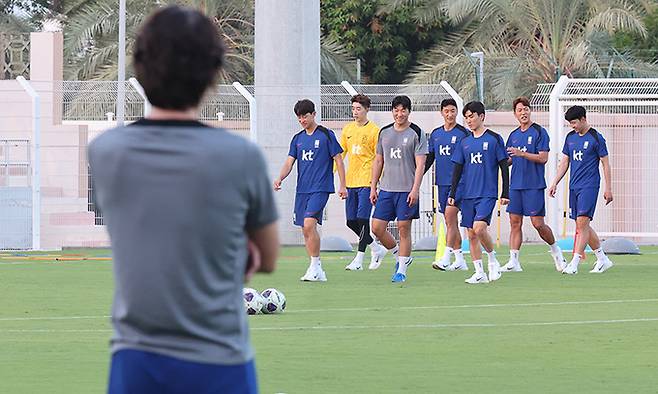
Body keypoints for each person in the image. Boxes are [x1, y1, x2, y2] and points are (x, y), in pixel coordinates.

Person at [88, 6, 279, 394]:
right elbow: (268, 257)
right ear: (213, 73)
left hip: (136, 362)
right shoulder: (240, 157)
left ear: (139, 68)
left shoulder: (106, 152)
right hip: (220, 360)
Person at [274, 99, 347, 282]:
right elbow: (289, 162)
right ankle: (317, 268)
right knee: (305, 230)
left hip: (321, 188)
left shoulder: (325, 134)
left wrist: (343, 185)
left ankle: (314, 266)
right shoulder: (297, 139)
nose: (302, 120)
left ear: (314, 114)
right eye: (299, 117)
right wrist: (279, 178)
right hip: (302, 191)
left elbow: (338, 159)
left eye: (305, 116)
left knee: (309, 224)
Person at [503, 97, 567, 272]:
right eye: (519, 110)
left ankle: (556, 251)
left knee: (538, 223)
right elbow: (509, 159)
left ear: (530, 110)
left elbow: (543, 158)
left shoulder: (539, 132)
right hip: (515, 185)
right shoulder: (513, 135)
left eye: (526, 109)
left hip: (534, 185)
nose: (523, 113)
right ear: (515, 114)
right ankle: (513, 261)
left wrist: (522, 154)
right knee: (514, 222)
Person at [548, 105, 614, 274]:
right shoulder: (570, 137)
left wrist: (608, 188)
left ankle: (574, 263)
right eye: (570, 124)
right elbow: (564, 163)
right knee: (581, 223)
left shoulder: (596, 138)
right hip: (574, 186)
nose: (573, 126)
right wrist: (555, 182)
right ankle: (602, 259)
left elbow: (605, 164)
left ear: (584, 119)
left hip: (590, 185)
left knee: (582, 222)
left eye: (574, 123)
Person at [449, 101, 509, 284]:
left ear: (481, 116)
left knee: (479, 228)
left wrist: (505, 192)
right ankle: (479, 273)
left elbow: (504, 166)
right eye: (466, 117)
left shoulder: (494, 138)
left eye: (472, 116)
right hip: (467, 194)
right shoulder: (464, 142)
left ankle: (492, 259)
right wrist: (452, 193)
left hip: (487, 193)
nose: (469, 120)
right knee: (471, 233)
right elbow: (457, 169)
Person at [370, 95, 428, 283]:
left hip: (406, 190)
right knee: (377, 228)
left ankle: (401, 270)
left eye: (403, 110)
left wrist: (415, 189)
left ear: (409, 112)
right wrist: (373, 187)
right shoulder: (384, 132)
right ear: (392, 111)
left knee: (404, 229)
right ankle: (398, 254)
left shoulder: (417, 132)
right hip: (386, 189)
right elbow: (379, 160)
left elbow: (420, 165)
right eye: (396, 110)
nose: (399, 113)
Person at [340, 94, 387, 271]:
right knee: (351, 221)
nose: (355, 112)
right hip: (351, 181)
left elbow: (379, 158)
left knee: (362, 219)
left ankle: (359, 259)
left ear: (367, 109)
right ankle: (376, 248)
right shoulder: (347, 130)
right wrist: (335, 177)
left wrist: (376, 181)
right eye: (353, 108)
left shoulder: (375, 131)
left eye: (358, 108)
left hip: (367, 181)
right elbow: (340, 154)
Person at [425, 98, 470, 271]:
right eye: (446, 111)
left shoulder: (463, 133)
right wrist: (417, 175)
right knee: (450, 221)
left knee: (451, 219)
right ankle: (460, 260)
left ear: (456, 112)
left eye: (453, 111)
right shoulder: (436, 134)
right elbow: (430, 158)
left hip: (460, 183)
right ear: (441, 112)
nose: (450, 114)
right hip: (442, 183)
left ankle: (446, 256)